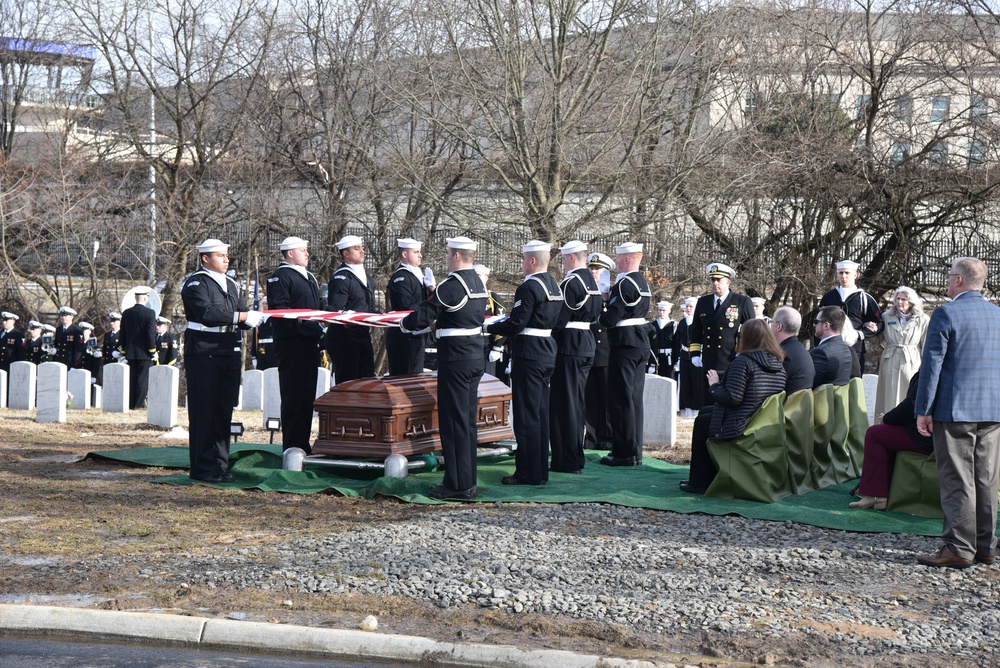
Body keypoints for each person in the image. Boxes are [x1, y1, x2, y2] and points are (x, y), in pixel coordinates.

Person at [914, 257, 1000, 569]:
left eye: (949, 276)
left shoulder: (946, 313)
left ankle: (959, 547)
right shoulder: (997, 314)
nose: (947, 281)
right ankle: (985, 545)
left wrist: (923, 409)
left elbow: (932, 365)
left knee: (957, 478)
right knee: (986, 478)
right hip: (992, 408)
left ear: (959, 281)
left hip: (955, 409)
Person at [400, 237, 487, 500]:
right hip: (474, 356)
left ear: (457, 256)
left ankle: (458, 485)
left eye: (449, 254)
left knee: (453, 422)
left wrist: (405, 325)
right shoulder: (477, 283)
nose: (447, 258)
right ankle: (467, 480)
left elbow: (423, 315)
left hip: (456, 359)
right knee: (467, 422)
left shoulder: (452, 284)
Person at [181, 238, 266, 483]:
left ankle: (219, 465)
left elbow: (240, 312)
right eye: (220, 256)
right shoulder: (196, 282)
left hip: (229, 348)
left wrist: (255, 317)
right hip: (204, 349)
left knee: (223, 410)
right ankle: (203, 468)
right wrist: (242, 316)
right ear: (205, 258)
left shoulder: (230, 283)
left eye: (227, 255)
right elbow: (207, 314)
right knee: (204, 410)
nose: (226, 259)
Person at [486, 240, 563, 485]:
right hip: (546, 350)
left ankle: (528, 472)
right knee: (540, 413)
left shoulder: (529, 287)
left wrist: (491, 326)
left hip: (529, 353)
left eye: (522, 259)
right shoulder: (554, 285)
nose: (521, 264)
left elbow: (517, 322)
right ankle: (539, 471)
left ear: (531, 260)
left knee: (526, 416)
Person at [680, 319, 787, 494]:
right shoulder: (776, 363)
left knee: (701, 423)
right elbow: (747, 383)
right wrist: (723, 376)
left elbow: (732, 398)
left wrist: (714, 385)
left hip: (739, 423)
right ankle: (708, 475)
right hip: (757, 420)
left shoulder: (744, 361)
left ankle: (699, 482)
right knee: (706, 412)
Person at [267, 236, 324, 455]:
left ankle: (303, 443)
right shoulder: (281, 276)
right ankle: (292, 445)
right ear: (290, 253)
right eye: (303, 250)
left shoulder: (308, 276)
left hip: (309, 341)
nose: (307, 253)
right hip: (292, 342)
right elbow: (279, 309)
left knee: (306, 396)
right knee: (293, 395)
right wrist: (303, 321)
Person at [549, 240, 602, 475]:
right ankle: (576, 457)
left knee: (566, 404)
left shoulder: (571, 282)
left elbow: (559, 319)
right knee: (578, 403)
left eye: (563, 258)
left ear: (571, 258)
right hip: (586, 343)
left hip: (569, 345)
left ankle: (567, 460)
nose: (562, 262)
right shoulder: (591, 280)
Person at [598, 241, 651, 467]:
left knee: (621, 399)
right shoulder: (642, 282)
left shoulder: (624, 284)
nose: (616, 263)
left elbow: (610, 318)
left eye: (619, 259)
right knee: (634, 399)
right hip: (639, 342)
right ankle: (635, 451)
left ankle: (623, 453)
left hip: (625, 343)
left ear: (627, 260)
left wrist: (602, 307)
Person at [849, 371, 932, 511]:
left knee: (874, 433)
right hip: (941, 434)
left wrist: (887, 419)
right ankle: (879, 493)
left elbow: (912, 405)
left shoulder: (932, 372)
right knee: (886, 433)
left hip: (927, 438)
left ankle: (875, 494)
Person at [688, 262, 755, 407]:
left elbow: (752, 331)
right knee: (708, 400)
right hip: (709, 358)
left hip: (731, 359)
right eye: (713, 280)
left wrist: (744, 352)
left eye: (719, 280)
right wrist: (694, 354)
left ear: (728, 282)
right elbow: (696, 330)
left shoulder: (742, 302)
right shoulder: (703, 302)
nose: (715, 283)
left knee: (727, 399)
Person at [327, 234, 378, 383]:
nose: (362, 251)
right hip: (345, 337)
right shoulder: (342, 278)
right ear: (346, 253)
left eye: (362, 248)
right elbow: (336, 310)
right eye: (357, 249)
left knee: (367, 380)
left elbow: (368, 307)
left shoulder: (366, 277)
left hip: (362, 333)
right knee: (348, 383)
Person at [873, 286, 928, 421]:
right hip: (890, 362)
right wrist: (872, 330)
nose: (899, 302)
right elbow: (877, 340)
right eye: (897, 298)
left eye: (904, 299)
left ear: (911, 301)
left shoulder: (923, 319)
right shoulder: (886, 316)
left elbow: (926, 346)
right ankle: (884, 428)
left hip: (911, 363)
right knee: (888, 397)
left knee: (907, 395)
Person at [818, 260, 883, 365]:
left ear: (855, 275)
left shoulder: (864, 298)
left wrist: (861, 333)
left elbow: (879, 323)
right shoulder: (828, 297)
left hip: (855, 350)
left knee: (854, 380)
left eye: (847, 273)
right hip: (829, 349)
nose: (844, 276)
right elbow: (818, 322)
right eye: (841, 273)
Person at [386, 238, 434, 375]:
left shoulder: (417, 276)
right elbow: (407, 306)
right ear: (405, 255)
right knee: (403, 379)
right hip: (403, 337)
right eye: (416, 252)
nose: (421, 255)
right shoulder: (401, 278)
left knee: (415, 378)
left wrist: (432, 288)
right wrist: (428, 316)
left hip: (416, 334)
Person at [584, 252, 613, 451]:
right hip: (589, 351)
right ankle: (591, 439)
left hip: (608, 353)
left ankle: (608, 438)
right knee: (591, 400)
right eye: (592, 268)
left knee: (608, 401)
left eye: (598, 269)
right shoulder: (584, 291)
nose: (594, 272)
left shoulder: (613, 294)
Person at [119, 287, 158, 410]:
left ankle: (130, 404)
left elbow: (123, 334)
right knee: (142, 379)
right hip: (145, 352)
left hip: (130, 352)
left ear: (136, 299)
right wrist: (152, 350)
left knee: (132, 378)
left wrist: (124, 350)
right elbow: (150, 334)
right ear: (145, 298)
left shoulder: (126, 313)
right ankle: (138, 405)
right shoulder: (150, 313)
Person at [770, 306, 815, 393]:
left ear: (779, 326)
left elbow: (770, 390)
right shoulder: (800, 350)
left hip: (785, 405)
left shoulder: (783, 354)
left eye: (772, 322)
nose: (770, 325)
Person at [475, 265, 508, 383]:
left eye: (479, 275)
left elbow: (502, 322)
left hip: (487, 343)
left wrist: (497, 347)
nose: (476, 278)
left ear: (486, 278)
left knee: (487, 380)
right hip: (471, 342)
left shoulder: (493, 297)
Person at [810, 306, 853, 388]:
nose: (814, 325)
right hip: (836, 400)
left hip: (820, 400)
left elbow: (808, 383)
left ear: (826, 325)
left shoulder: (821, 352)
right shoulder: (846, 349)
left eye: (816, 322)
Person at [674, 296, 702, 417]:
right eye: (687, 306)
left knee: (697, 383)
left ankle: (696, 410)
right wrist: (677, 359)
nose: (689, 309)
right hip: (685, 355)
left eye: (691, 306)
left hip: (697, 355)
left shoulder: (700, 321)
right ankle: (686, 409)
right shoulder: (682, 323)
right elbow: (677, 342)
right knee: (685, 384)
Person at [649, 301, 676, 377]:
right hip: (656, 357)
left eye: (664, 310)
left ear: (669, 311)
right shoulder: (653, 325)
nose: (661, 312)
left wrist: (677, 360)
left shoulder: (673, 325)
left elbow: (676, 344)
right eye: (660, 310)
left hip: (669, 357)